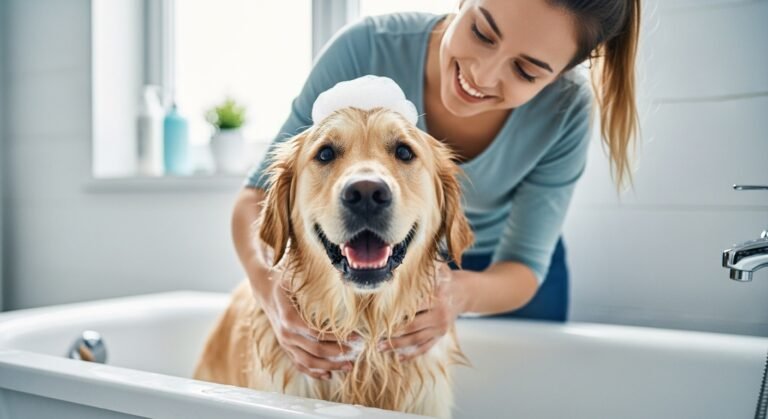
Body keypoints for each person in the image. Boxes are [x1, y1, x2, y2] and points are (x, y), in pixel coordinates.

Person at [232, 0, 641, 380]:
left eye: (526, 71)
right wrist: (271, 290)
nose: (482, 74)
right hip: (378, 252)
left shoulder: (565, 110)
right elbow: (257, 197)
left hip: (509, 277)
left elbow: (525, 262)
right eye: (482, 32)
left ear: (562, 72)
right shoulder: (367, 48)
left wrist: (460, 294)